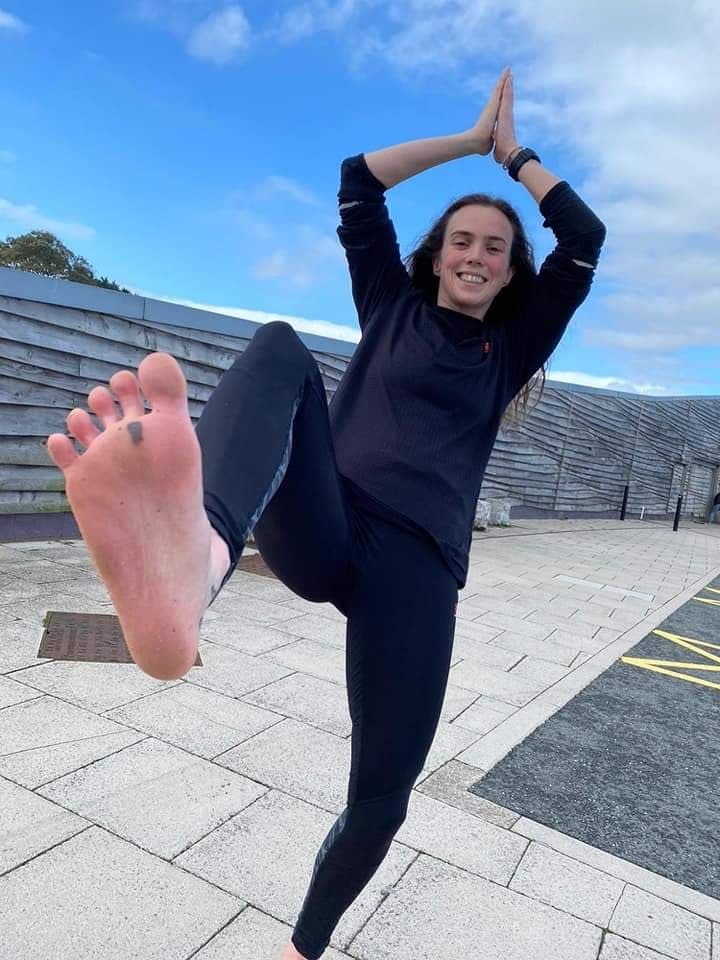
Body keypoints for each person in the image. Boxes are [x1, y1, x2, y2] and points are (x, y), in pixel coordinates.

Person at [45, 67, 606, 960]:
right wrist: (467, 142)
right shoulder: (389, 302)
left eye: (495, 248)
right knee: (277, 346)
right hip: (328, 521)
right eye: (461, 240)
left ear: (510, 271)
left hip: (416, 574)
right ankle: (200, 553)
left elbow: (583, 236)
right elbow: (358, 180)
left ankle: (301, 949)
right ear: (436, 254)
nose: (476, 255)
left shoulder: (510, 346)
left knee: (382, 799)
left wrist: (513, 157)